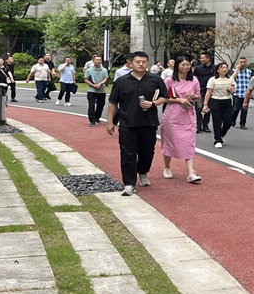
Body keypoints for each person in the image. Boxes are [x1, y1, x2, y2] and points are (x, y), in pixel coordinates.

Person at [107, 51, 170, 196]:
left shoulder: (155, 79)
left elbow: (165, 97)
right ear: (131, 63)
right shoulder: (121, 81)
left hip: (148, 122)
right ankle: (129, 183)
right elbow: (113, 102)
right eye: (138, 62)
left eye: (144, 62)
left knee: (147, 152)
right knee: (127, 153)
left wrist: (153, 103)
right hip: (127, 123)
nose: (141, 64)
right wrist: (110, 122)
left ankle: (142, 172)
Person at [161, 57, 203, 183]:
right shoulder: (169, 81)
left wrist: (194, 97)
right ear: (177, 66)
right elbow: (163, 98)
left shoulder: (194, 80)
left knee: (189, 142)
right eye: (183, 65)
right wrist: (179, 99)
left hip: (188, 115)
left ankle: (191, 172)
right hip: (172, 115)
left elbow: (198, 97)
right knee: (170, 141)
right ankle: (167, 167)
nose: (185, 67)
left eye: (187, 65)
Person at [202, 62, 236, 148]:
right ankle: (217, 140)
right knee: (217, 121)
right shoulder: (213, 79)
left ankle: (221, 134)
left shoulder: (230, 79)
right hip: (215, 101)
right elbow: (208, 93)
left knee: (228, 122)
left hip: (227, 101)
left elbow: (234, 91)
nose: (224, 69)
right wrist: (205, 104)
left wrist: (231, 89)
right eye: (222, 68)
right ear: (218, 70)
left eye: (226, 67)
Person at [194, 53, 217, 133]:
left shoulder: (214, 68)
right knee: (199, 107)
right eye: (201, 58)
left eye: (203, 58)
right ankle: (198, 125)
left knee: (208, 108)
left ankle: (205, 125)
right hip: (200, 90)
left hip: (210, 91)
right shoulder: (198, 68)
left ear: (208, 58)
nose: (201, 60)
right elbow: (195, 78)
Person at [84, 55, 109, 126]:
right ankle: (92, 120)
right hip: (92, 90)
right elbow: (86, 79)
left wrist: (100, 84)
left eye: (100, 60)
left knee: (101, 105)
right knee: (91, 106)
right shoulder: (89, 70)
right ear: (93, 60)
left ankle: (97, 117)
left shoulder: (104, 70)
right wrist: (94, 85)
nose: (98, 61)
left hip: (101, 90)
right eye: (97, 60)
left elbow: (105, 78)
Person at [232, 57, 252, 129]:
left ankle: (242, 124)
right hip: (237, 93)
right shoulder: (234, 70)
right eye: (241, 62)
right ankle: (232, 120)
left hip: (246, 93)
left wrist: (251, 92)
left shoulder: (249, 71)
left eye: (244, 62)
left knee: (244, 109)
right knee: (235, 109)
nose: (243, 63)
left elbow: (251, 82)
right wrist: (237, 69)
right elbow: (231, 79)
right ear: (238, 62)